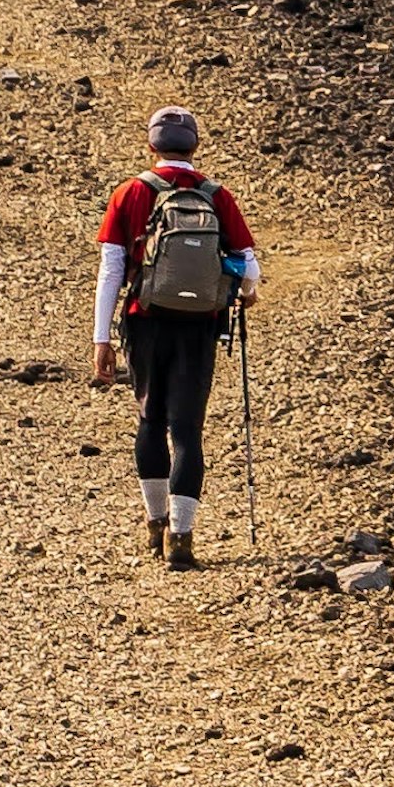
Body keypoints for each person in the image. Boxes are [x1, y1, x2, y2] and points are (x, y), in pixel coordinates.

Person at [91, 103, 258, 571]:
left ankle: (155, 525)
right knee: (187, 430)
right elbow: (250, 263)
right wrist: (246, 293)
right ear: (195, 146)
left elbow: (111, 271)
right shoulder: (216, 195)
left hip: (147, 318)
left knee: (150, 421)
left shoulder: (130, 193)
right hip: (201, 324)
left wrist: (100, 339)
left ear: (151, 146)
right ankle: (182, 540)